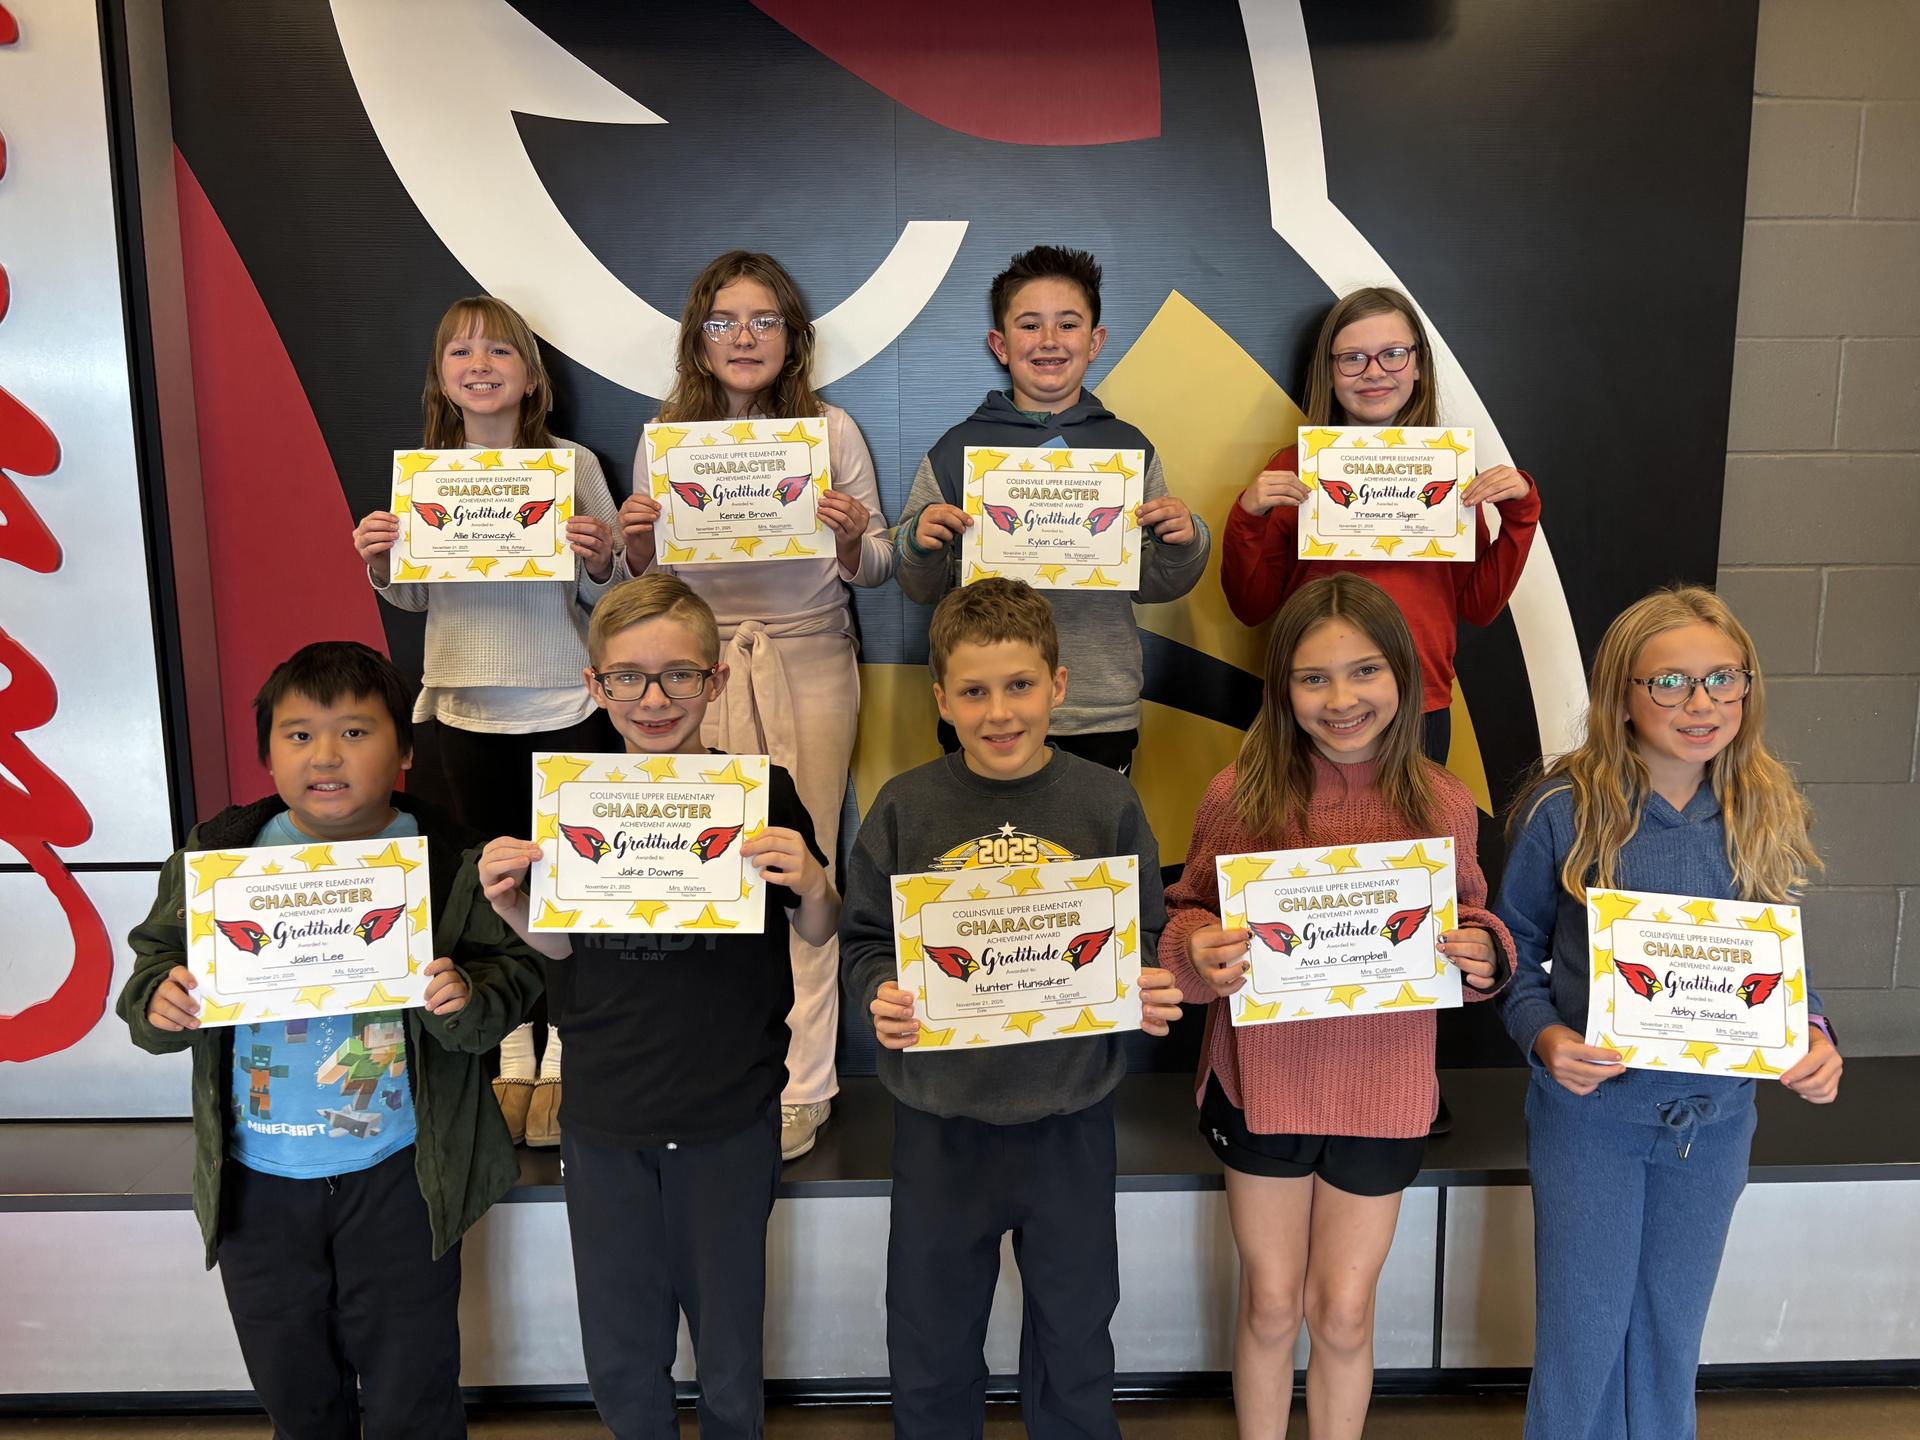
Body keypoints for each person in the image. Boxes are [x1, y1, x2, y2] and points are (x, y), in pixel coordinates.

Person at [116, 640, 544, 1439]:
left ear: (404, 750)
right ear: (268, 755)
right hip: (259, 1179)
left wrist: (466, 996)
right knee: (295, 1390)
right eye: (299, 734)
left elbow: (516, 977)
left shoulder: (451, 861)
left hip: (404, 1172)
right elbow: (152, 967)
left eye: (354, 732)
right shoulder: (218, 855)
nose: (326, 755)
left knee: (414, 1392)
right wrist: (159, 1003)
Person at [476, 574, 837, 1440]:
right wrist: (514, 908)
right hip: (605, 1113)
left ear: (716, 681)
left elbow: (820, 928)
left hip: (728, 1112)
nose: (653, 699)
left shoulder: (764, 793)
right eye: (628, 678)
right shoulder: (569, 800)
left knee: (729, 1350)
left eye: (679, 675)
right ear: (595, 685)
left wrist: (815, 882)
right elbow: (562, 949)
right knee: (622, 1348)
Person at [1160, 573, 1511, 1439]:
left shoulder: (1443, 802)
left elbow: (1473, 916)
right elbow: (1187, 915)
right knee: (1272, 1303)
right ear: (1282, 687)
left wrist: (1486, 954)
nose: (1342, 700)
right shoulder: (1238, 794)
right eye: (1314, 678)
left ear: (1403, 675)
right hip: (1261, 1087)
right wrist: (1195, 952)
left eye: (1364, 672)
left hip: (1382, 1091)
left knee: (1345, 1313)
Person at [839, 577, 1186, 1438]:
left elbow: (1142, 932)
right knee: (929, 1345)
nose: (999, 713)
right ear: (940, 701)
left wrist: (1145, 980)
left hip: (1069, 1117)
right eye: (974, 692)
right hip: (940, 1122)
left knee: (1076, 1343)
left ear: (1058, 686)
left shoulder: (1106, 803)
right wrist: (879, 992)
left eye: (1020, 685)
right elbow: (864, 940)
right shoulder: (905, 808)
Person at [1495, 585, 1842, 1439]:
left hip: (1714, 1125)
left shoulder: (1764, 804)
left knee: (1669, 1339)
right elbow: (1511, 956)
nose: (1702, 703)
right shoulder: (1563, 811)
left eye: (1724, 678)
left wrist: (1813, 1033)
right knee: (1583, 1339)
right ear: (1621, 695)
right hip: (1593, 1121)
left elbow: (1777, 964)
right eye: (1671, 683)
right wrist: (1545, 1037)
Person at [616, 251, 893, 1161]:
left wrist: (852, 539)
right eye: (724, 321)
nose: (744, 337)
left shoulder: (830, 430)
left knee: (800, 863)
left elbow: (879, 565)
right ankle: (715, 1072)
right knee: (695, 868)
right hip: (692, 669)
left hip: (809, 656)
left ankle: (804, 1084)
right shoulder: (666, 439)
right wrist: (635, 545)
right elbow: (642, 582)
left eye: (764, 320)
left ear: (792, 337)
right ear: (698, 339)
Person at [351, 295, 623, 1149]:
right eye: (461, 352)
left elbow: (612, 594)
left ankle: (566, 1053)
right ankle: (511, 1050)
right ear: (440, 378)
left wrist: (601, 559)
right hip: (461, 709)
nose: (480, 365)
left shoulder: (572, 464)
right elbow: (413, 595)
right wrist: (381, 561)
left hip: (566, 703)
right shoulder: (427, 473)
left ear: (532, 377)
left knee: (569, 889)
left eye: (499, 351)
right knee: (485, 894)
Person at [892, 245, 1211, 774]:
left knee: (1095, 830)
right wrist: (918, 545)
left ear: (1095, 341)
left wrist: (1185, 543)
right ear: (1000, 344)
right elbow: (920, 587)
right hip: (983, 707)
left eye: (1067, 324)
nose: (1048, 340)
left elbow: (1154, 584)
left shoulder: (1128, 451)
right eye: (1029, 325)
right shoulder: (955, 450)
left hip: (1097, 709)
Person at [1220, 286, 1540, 762]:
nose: (1373, 372)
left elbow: (1478, 606)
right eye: (1352, 358)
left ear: (1417, 365)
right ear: (1329, 372)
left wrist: (1520, 515)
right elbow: (1251, 606)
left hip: (1420, 703)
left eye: (1392, 354)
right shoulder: (1293, 470)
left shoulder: (1446, 471)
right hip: (1319, 706)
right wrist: (1247, 517)